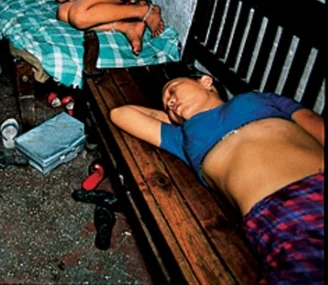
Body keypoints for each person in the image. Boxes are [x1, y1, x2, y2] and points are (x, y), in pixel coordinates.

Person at [110, 74, 324, 283]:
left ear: (206, 81)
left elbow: (314, 124)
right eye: (166, 104)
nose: (170, 101)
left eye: (173, 90)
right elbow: (121, 114)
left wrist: (183, 113)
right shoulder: (183, 137)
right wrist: (179, 119)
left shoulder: (260, 99)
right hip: (276, 217)